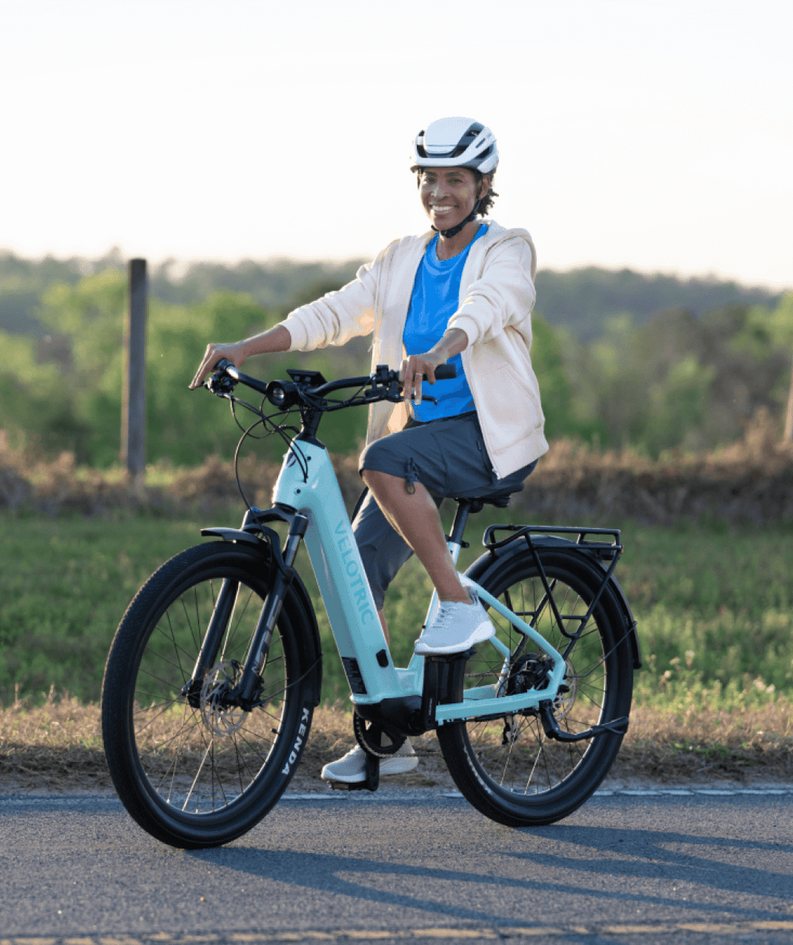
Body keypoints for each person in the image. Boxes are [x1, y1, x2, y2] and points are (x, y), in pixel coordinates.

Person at [189, 117, 548, 783]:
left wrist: (440, 349)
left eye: (455, 180)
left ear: (483, 185)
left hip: (487, 435)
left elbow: (488, 306)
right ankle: (388, 733)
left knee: (382, 460)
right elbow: (333, 312)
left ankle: (460, 605)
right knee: (354, 573)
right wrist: (246, 347)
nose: (440, 192)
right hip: (420, 437)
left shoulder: (506, 249)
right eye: (429, 180)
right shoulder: (402, 258)